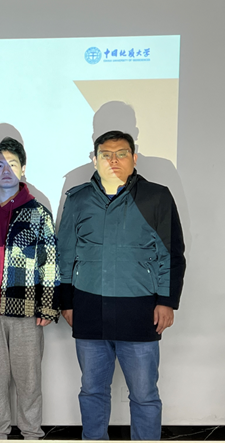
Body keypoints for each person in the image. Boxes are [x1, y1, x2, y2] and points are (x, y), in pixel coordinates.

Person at [57, 130, 186, 440]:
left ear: (134, 158)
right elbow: (65, 253)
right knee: (92, 391)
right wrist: (67, 302)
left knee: (144, 395)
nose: (113, 160)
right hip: (89, 309)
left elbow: (171, 253)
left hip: (140, 310)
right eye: (106, 154)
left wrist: (167, 301)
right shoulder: (78, 198)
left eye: (121, 153)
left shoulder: (156, 197)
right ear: (95, 159)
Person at [0, 137, 60, 440]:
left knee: (28, 380)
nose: (6, 171)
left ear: (23, 168)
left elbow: (50, 263)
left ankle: (31, 433)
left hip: (26, 307)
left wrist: (48, 306)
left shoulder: (38, 212)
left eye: (13, 164)